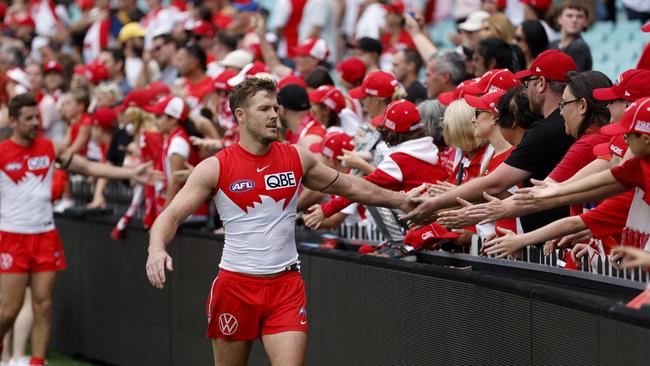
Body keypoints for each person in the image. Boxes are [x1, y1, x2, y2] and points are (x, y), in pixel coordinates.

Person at [145, 77, 421, 366]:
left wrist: (401, 200)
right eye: (265, 109)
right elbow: (172, 215)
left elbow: (351, 187)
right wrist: (156, 249)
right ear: (241, 115)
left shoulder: (296, 157)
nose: (275, 115)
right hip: (236, 286)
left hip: (286, 287)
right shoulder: (216, 166)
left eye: (275, 108)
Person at [0, 93, 157, 366]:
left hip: (45, 235)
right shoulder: (2, 152)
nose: (35, 122)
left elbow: (87, 167)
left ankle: (37, 362)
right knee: (9, 310)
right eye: (28, 119)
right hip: (11, 236)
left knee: (44, 305)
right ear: (13, 121)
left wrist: (130, 174)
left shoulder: (51, 148)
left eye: (37, 117)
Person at [402, 50, 577, 234]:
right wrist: (444, 209)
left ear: (541, 83)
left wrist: (437, 204)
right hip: (546, 241)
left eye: (529, 83)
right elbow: (531, 195)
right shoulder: (551, 127)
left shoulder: (545, 131)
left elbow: (496, 185)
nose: (473, 118)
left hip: (551, 244)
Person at [304, 99, 448, 229]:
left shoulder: (400, 159)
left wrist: (325, 210)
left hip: (425, 227)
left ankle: (399, 245)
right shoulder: (432, 148)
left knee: (371, 195)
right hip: (441, 220)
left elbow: (358, 189)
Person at [550, 2, 592, 72]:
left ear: (585, 22)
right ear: (559, 19)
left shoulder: (579, 48)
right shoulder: (552, 44)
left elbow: (572, 80)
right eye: (569, 16)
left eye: (579, 16)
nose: (574, 20)